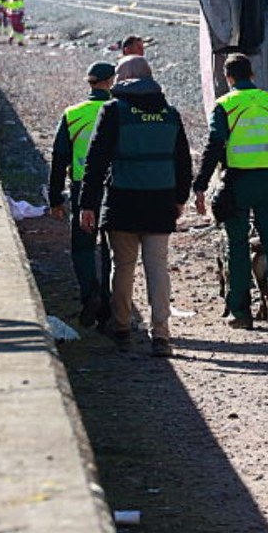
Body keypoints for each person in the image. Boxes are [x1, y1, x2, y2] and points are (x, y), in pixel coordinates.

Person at [79, 56, 192, 357]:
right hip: (160, 201)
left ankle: (122, 329)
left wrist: (87, 204)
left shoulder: (113, 110)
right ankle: (162, 336)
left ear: (124, 77)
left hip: (122, 201)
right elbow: (183, 161)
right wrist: (180, 198)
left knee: (122, 267)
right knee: (158, 268)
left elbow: (96, 160)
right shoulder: (170, 114)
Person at [192, 54, 268, 333]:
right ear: (252, 74)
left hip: (237, 182)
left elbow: (214, 144)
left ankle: (241, 313)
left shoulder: (225, 105)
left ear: (228, 78)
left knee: (237, 245)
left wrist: (200, 184)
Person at [49, 62, 116, 330]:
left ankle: (90, 293)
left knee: (82, 246)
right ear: (110, 81)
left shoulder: (73, 114)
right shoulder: (118, 110)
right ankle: (109, 304)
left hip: (81, 187)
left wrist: (55, 198)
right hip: (114, 188)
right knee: (111, 247)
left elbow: (58, 158)